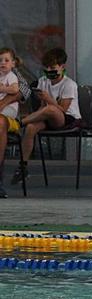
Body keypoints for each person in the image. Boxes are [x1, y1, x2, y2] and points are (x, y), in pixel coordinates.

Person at [13, 48, 82, 186]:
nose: (49, 70)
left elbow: (62, 108)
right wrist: (40, 110)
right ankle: (23, 166)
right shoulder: (42, 81)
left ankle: (19, 122)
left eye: (53, 67)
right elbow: (42, 109)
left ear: (62, 67)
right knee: (31, 128)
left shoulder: (69, 84)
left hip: (67, 119)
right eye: (47, 67)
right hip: (48, 115)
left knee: (50, 109)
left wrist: (49, 99)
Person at [0, 47, 22, 199]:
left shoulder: (12, 76)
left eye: (6, 60)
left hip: (8, 114)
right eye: (0, 61)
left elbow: (18, 91)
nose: (2, 63)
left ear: (13, 63)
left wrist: (3, 88)